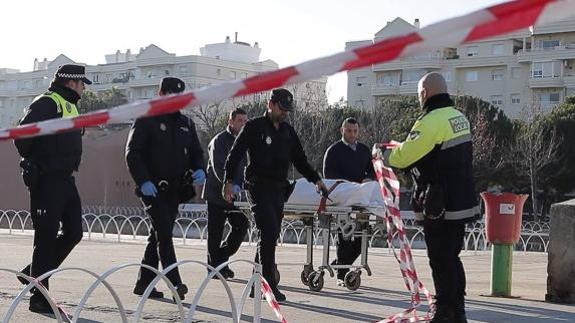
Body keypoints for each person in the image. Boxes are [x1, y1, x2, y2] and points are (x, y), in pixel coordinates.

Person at [380, 72, 479, 323]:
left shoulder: (430, 121)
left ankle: (444, 310)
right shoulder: (460, 118)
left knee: (439, 257)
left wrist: (387, 153)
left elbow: (404, 157)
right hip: (461, 200)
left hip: (439, 203)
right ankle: (458, 309)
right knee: (452, 256)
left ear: (424, 93)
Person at [223, 88, 328, 302]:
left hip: (279, 188)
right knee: (268, 231)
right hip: (258, 186)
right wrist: (229, 181)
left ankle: (257, 283)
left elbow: (300, 159)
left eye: (287, 110)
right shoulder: (254, 127)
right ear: (270, 104)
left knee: (269, 235)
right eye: (281, 108)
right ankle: (268, 285)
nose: (284, 113)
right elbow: (235, 154)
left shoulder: (287, 131)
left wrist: (316, 179)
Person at [14, 64, 90, 313]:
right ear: (71, 83)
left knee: (74, 232)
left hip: (66, 179)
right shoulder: (47, 103)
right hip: (47, 180)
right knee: (45, 237)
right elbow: (22, 137)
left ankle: (31, 274)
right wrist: (38, 163)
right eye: (82, 84)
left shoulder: (70, 105)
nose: (83, 89)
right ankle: (38, 296)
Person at [125, 77, 206, 300]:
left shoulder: (186, 124)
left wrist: (199, 168)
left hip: (176, 190)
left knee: (158, 235)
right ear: (161, 93)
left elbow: (196, 152)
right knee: (164, 233)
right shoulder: (146, 118)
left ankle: (144, 283)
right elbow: (133, 153)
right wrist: (143, 181)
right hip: (153, 189)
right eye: (171, 95)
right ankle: (175, 282)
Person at [323, 117, 375, 286]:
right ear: (342, 130)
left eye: (355, 131)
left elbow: (373, 172)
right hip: (342, 201)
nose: (352, 134)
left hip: (362, 201)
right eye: (349, 130)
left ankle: (339, 264)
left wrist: (368, 179)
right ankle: (342, 274)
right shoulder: (333, 151)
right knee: (344, 236)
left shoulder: (364, 150)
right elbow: (329, 175)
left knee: (363, 237)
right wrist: (350, 185)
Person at [202, 108, 249, 279]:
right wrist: (228, 185)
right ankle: (214, 269)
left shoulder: (245, 141)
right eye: (239, 121)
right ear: (230, 121)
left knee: (241, 226)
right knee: (215, 232)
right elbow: (218, 167)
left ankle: (221, 259)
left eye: (245, 121)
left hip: (236, 195)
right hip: (217, 193)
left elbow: (246, 167)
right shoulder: (219, 141)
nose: (243, 124)